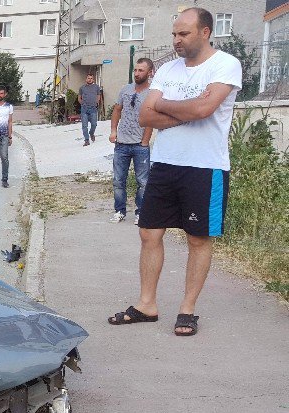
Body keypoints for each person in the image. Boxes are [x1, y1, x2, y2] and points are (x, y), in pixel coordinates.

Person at [109, 7, 242, 337]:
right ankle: (147, 305)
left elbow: (204, 108)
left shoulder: (225, 64)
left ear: (205, 32)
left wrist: (175, 107)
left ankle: (187, 310)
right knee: (148, 234)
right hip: (165, 164)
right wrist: (190, 110)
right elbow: (145, 117)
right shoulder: (168, 68)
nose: (177, 40)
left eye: (183, 34)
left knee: (198, 239)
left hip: (204, 167)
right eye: (174, 34)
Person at [108, 58, 155, 224]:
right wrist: (113, 131)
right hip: (121, 144)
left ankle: (141, 212)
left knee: (143, 182)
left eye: (141, 70)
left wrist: (145, 141)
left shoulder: (153, 92)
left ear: (150, 73)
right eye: (135, 70)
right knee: (118, 181)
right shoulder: (125, 89)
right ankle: (119, 211)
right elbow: (117, 110)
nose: (137, 73)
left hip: (139, 145)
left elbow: (151, 118)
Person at [78, 73, 103, 146]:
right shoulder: (82, 88)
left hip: (93, 108)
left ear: (93, 79)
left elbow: (98, 96)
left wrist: (96, 102)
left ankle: (91, 133)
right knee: (84, 125)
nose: (90, 79)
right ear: (86, 79)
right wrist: (82, 103)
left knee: (94, 124)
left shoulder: (96, 87)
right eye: (88, 78)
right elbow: (79, 97)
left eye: (91, 78)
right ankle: (86, 140)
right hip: (84, 109)